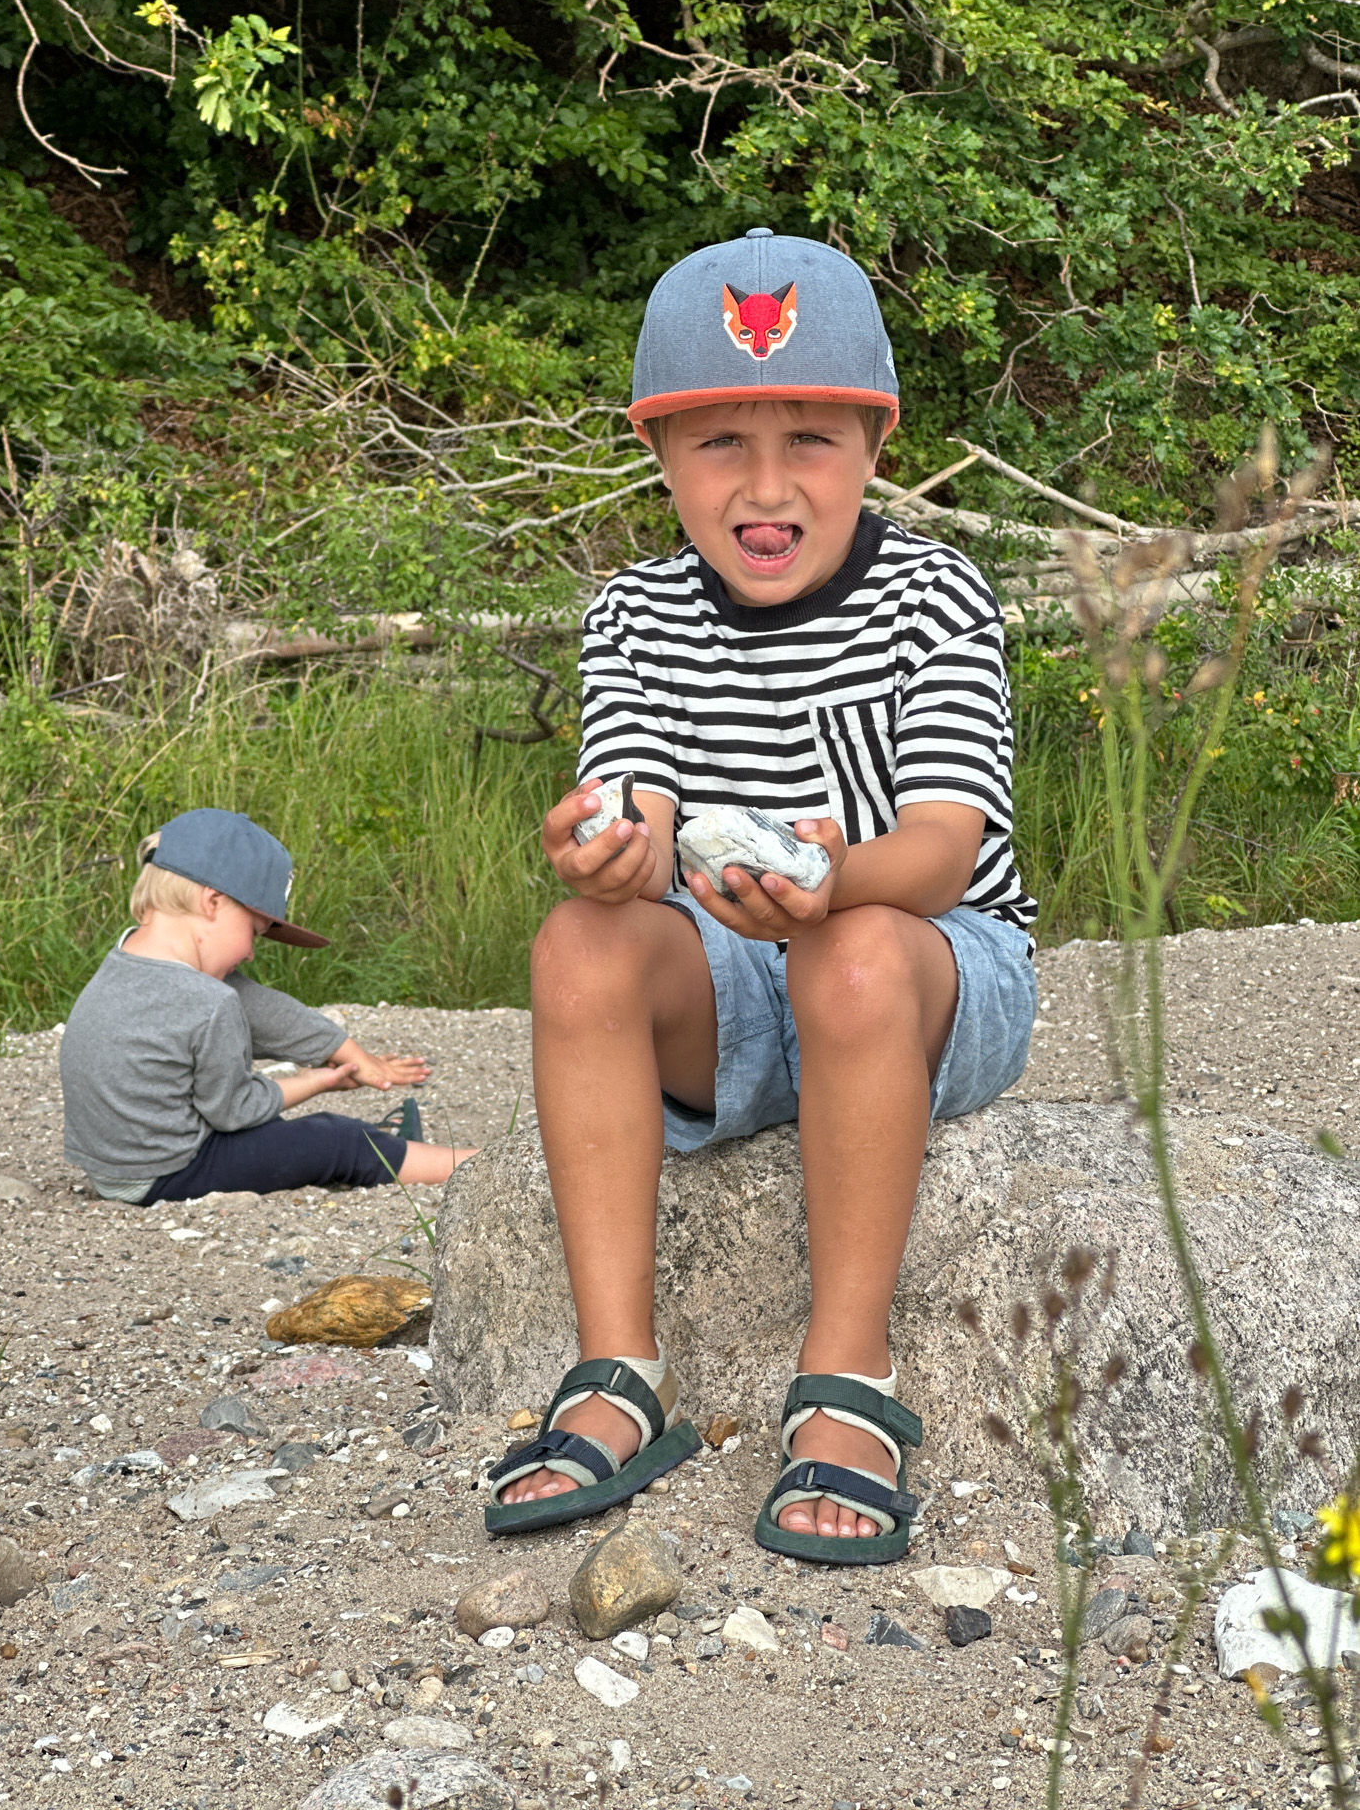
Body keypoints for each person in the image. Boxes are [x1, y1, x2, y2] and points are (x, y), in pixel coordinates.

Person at [485, 229, 1037, 1564]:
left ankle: (847, 1375)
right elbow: (637, 807)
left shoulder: (933, 595)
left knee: (850, 950)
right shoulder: (635, 614)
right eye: (721, 442)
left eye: (812, 440)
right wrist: (605, 849)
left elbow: (942, 851)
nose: (767, 484)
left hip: (927, 966)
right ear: (659, 452)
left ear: (877, 444)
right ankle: (619, 1369)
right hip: (735, 975)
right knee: (579, 943)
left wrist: (831, 880)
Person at [60, 808, 470, 1204]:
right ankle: (476, 1166)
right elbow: (234, 1111)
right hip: (168, 1172)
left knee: (279, 1134)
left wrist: (348, 1052)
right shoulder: (207, 1000)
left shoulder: (125, 962)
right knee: (336, 1139)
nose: (251, 953)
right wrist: (317, 1081)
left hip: (111, 1169)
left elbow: (257, 1007)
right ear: (212, 902)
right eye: (254, 932)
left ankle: (399, 1154)